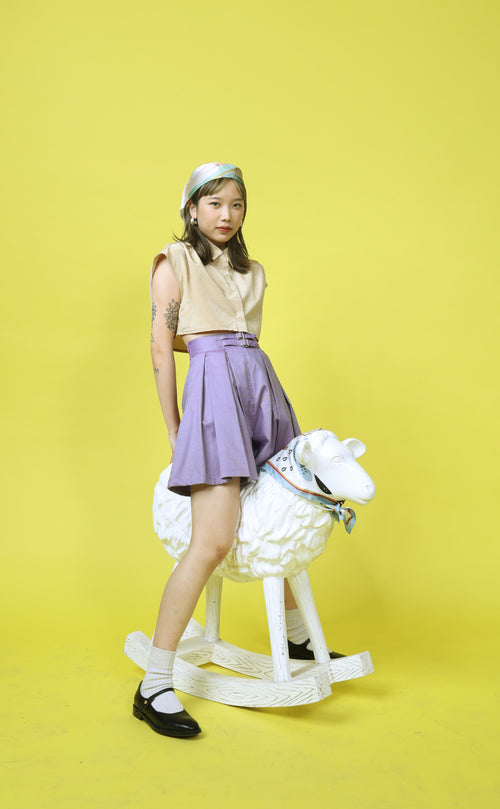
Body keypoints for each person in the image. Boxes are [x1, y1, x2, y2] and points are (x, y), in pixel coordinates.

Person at [133, 163, 334, 739]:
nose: (227, 214)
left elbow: (242, 340)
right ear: (192, 209)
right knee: (213, 540)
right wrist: (175, 428)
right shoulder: (174, 263)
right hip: (214, 398)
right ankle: (153, 684)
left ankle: (297, 640)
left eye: (237, 204)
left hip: (261, 390)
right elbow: (161, 346)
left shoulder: (252, 271)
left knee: (287, 510)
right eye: (215, 203)